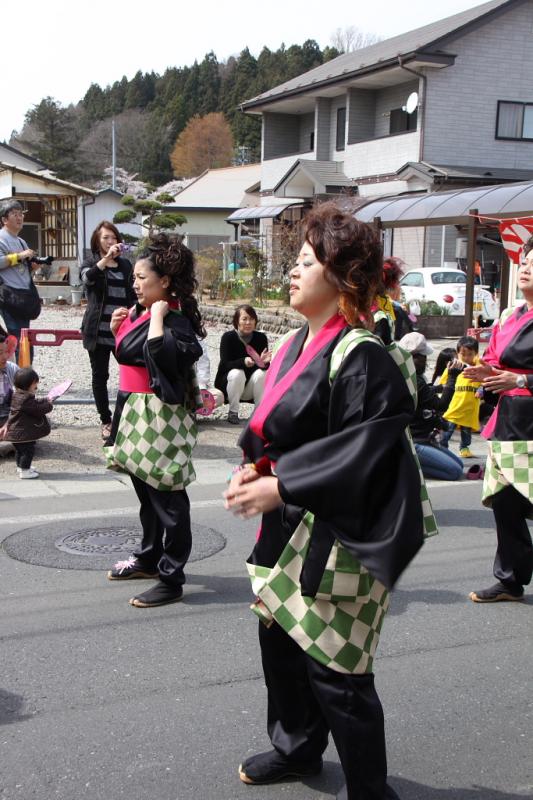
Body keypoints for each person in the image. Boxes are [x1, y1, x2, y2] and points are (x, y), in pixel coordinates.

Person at [224, 203, 432, 800]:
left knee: (337, 670)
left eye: (306, 261)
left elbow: (365, 453)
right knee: (280, 645)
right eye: (295, 259)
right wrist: (254, 469)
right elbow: (276, 427)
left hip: (333, 534)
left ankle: (371, 789)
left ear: (343, 280)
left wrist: (281, 484)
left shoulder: (362, 352)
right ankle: (296, 747)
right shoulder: (293, 343)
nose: (293, 270)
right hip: (281, 523)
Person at [104, 233, 203, 609]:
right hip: (132, 408)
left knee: (168, 499)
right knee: (147, 496)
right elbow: (129, 356)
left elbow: (164, 356)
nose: (135, 283)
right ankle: (148, 558)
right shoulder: (138, 313)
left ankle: (171, 577)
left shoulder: (173, 319)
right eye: (134, 278)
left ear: (164, 282)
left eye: (141, 278)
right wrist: (119, 330)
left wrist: (158, 316)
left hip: (159, 417)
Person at [463, 238, 533, 603]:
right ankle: (510, 579)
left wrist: (522, 380)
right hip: (508, 420)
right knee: (505, 500)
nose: (525, 267)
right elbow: (495, 360)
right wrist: (486, 374)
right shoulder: (511, 314)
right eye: (525, 261)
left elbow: (517, 374)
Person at [80, 221, 136, 440]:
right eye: (106, 238)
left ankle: (127, 418)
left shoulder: (125, 265)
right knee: (100, 376)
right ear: (98, 240)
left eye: (113, 238)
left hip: (122, 330)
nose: (111, 242)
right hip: (97, 331)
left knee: (131, 372)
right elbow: (87, 278)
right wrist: (105, 259)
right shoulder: (92, 262)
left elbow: (132, 293)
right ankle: (106, 420)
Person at [399, 332, 464, 481]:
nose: (426, 360)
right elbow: (441, 405)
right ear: (414, 357)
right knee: (454, 472)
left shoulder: (405, 375)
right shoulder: (416, 380)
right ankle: (409, 465)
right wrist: (452, 377)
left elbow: (423, 394)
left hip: (422, 438)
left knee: (459, 465)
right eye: (423, 357)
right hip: (414, 443)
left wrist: (438, 388)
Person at [214, 304, 271, 424]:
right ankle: (233, 412)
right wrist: (243, 362)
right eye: (244, 319)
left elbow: (263, 367)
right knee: (237, 373)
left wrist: (264, 363)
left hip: (249, 387)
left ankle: (258, 413)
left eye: (251, 319)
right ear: (237, 321)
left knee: (262, 373)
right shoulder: (228, 337)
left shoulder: (261, 338)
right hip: (231, 386)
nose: (248, 322)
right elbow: (225, 365)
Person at [0, 199, 41, 358]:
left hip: (23, 296)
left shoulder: (21, 241)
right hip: (8, 295)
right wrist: (20, 256)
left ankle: (24, 375)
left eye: (21, 214)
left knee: (24, 336)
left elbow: (20, 270)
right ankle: (19, 375)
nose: (19, 218)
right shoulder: (1, 238)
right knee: (17, 336)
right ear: (4, 219)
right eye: (14, 214)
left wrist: (33, 266)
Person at [4, 366, 53, 479]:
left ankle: (21, 467)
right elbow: (37, 409)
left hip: (17, 433)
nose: (37, 386)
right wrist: (49, 405)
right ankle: (25, 471)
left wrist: (45, 400)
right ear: (28, 385)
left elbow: (34, 403)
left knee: (20, 451)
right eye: (35, 383)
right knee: (28, 451)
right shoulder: (25, 400)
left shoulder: (18, 395)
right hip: (23, 434)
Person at [439, 336, 482, 458]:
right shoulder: (453, 367)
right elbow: (443, 384)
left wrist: (481, 390)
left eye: (470, 354)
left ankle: (464, 448)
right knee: (448, 429)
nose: (466, 358)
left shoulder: (478, 369)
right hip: (454, 406)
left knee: (466, 431)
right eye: (463, 354)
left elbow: (484, 383)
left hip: (469, 408)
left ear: (476, 354)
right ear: (457, 353)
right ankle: (443, 447)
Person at [0, 329, 18, 457]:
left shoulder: (12, 368)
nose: (5, 357)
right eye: (0, 353)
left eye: (7, 351)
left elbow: (22, 400)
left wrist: (8, 423)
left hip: (8, 415)